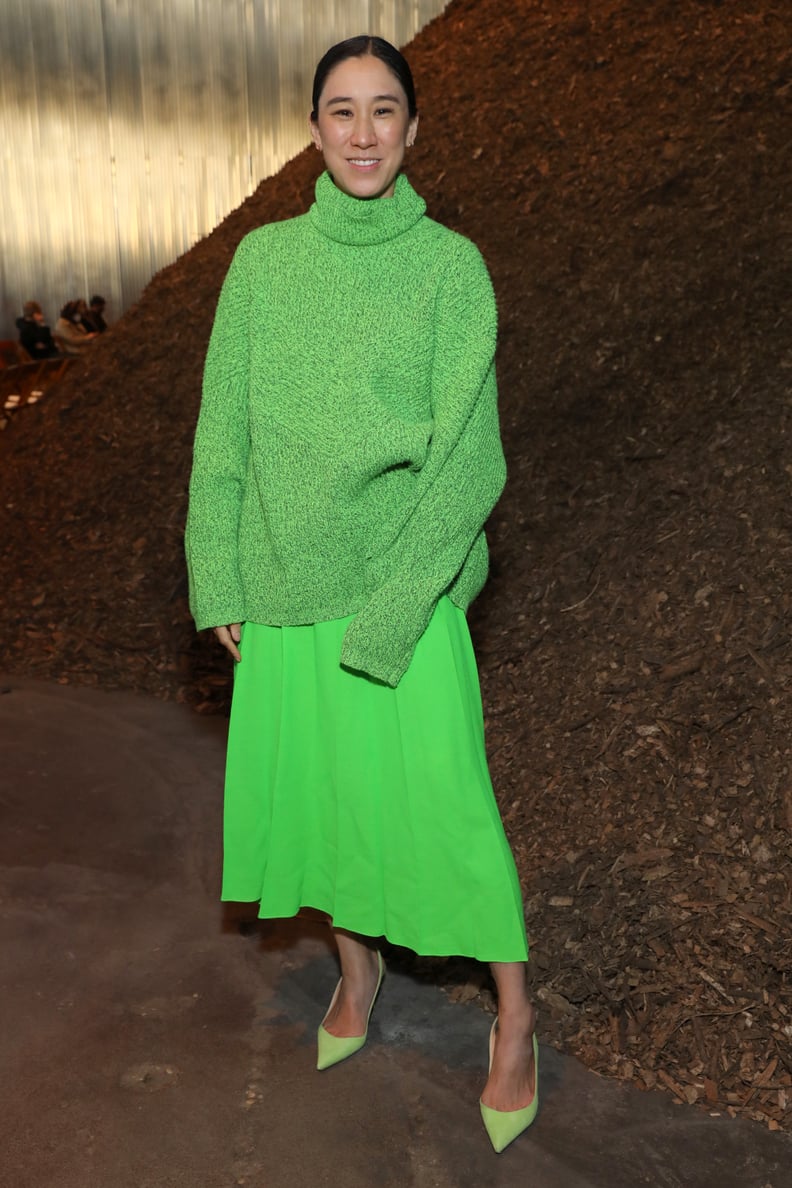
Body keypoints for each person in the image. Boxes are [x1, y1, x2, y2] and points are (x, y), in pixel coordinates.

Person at [185, 35, 537, 1153]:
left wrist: (397, 611)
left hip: (406, 591)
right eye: (342, 110)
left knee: (447, 808)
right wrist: (219, 574)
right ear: (312, 128)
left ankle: (517, 1017)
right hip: (287, 591)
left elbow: (471, 464)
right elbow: (223, 439)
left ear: (414, 129)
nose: (364, 132)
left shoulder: (451, 267)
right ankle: (357, 970)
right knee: (329, 807)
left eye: (387, 110)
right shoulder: (260, 264)